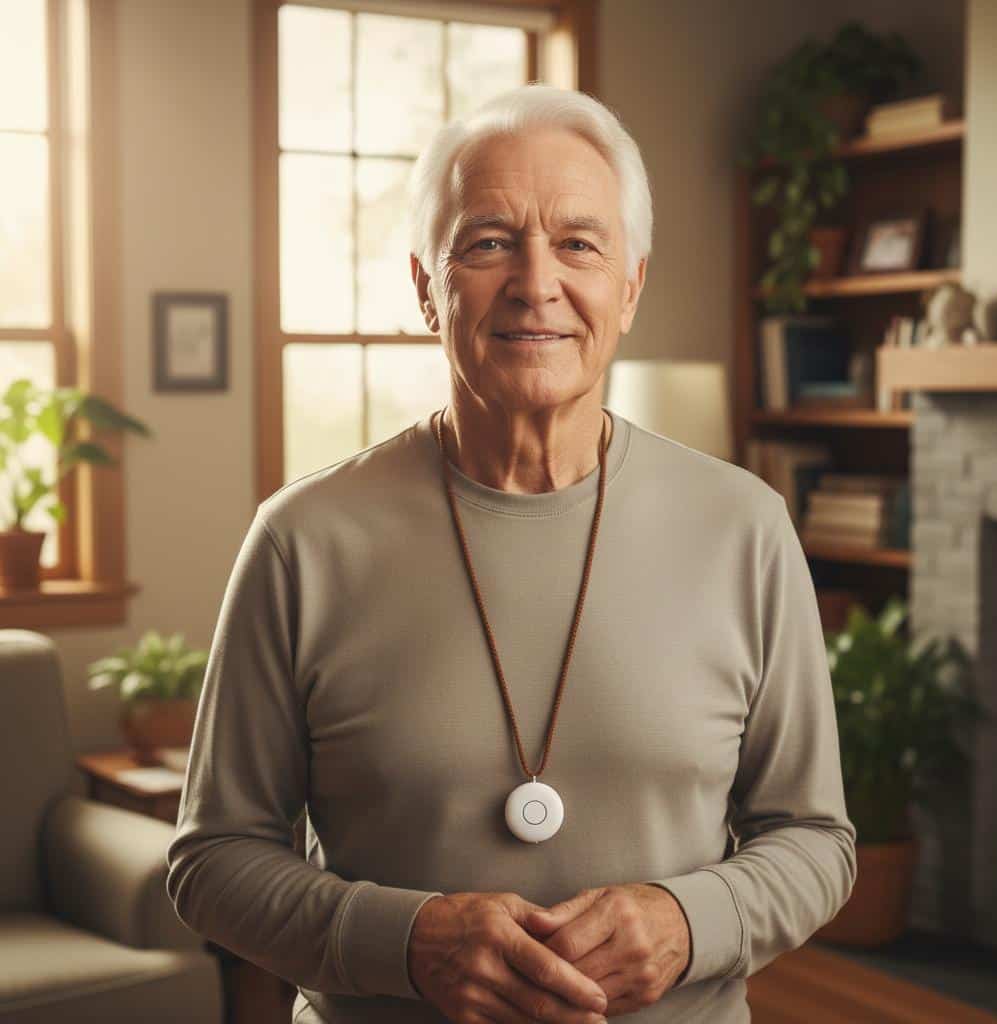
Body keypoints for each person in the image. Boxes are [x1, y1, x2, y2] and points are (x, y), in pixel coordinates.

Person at [167, 83, 856, 1024]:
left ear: (631, 286)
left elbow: (815, 839)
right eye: (489, 241)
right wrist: (409, 944)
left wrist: (690, 921)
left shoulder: (747, 527)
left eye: (579, 243)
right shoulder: (301, 539)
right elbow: (211, 863)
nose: (537, 283)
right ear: (424, 286)